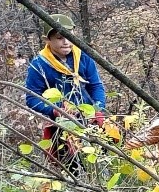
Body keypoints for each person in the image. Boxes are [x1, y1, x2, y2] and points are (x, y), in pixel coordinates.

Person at [24, 13, 106, 167]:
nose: (66, 42)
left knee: (100, 162)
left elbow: (95, 85)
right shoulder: (39, 65)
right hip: (60, 124)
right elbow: (32, 99)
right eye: (60, 38)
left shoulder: (83, 56)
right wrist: (55, 111)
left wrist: (98, 109)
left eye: (69, 36)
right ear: (47, 40)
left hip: (90, 119)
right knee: (72, 167)